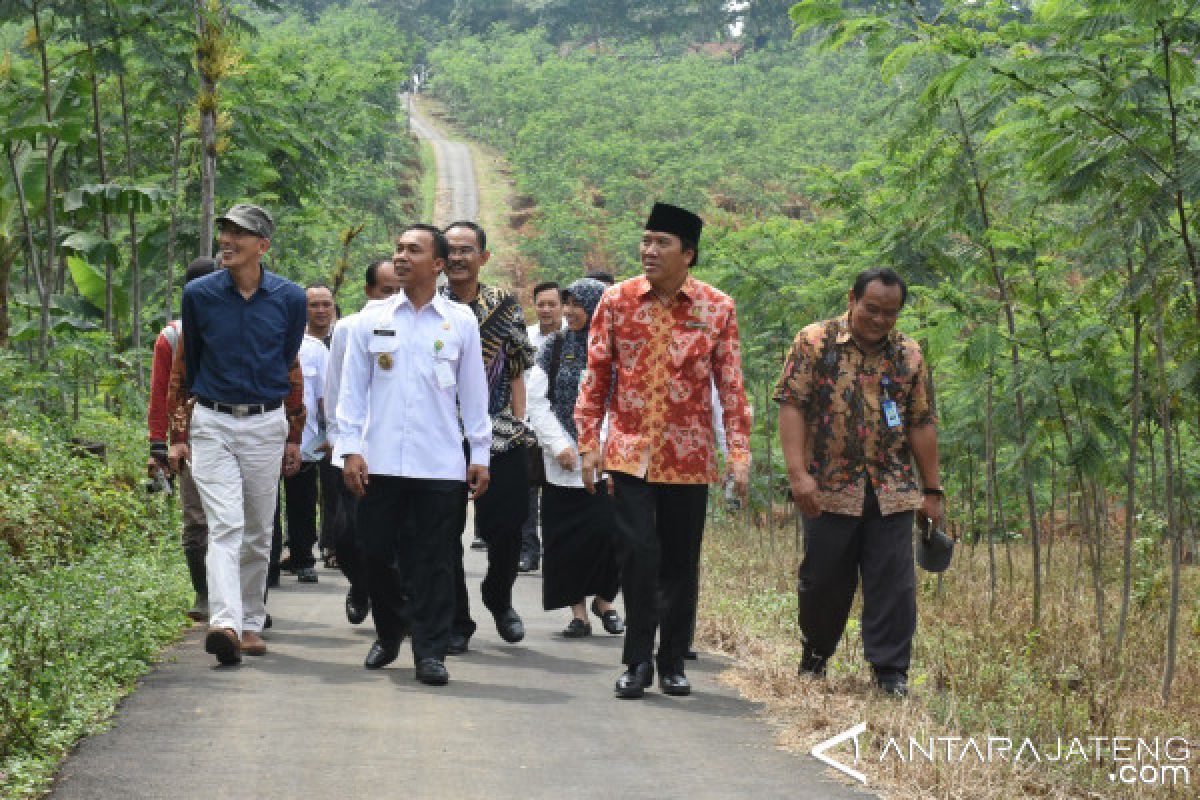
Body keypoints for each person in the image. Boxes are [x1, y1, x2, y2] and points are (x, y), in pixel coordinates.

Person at [576, 202, 751, 699]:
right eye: (646, 240)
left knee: (679, 561)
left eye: (662, 243)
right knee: (637, 555)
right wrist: (589, 443)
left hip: (690, 457)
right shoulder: (617, 300)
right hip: (629, 452)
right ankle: (636, 663)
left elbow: (732, 388)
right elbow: (597, 378)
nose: (649, 251)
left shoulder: (717, 308)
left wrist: (738, 453)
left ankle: (672, 659)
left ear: (688, 254)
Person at [775, 267, 943, 698]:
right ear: (852, 299)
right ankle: (815, 657)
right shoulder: (814, 342)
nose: (880, 319)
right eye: (872, 308)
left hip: (892, 488)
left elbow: (921, 422)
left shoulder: (909, 354)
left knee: (893, 582)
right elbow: (791, 405)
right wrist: (798, 476)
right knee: (824, 580)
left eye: (890, 313)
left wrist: (932, 489)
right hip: (828, 487)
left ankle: (890, 674)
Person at [336, 224, 491, 686]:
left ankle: (430, 650)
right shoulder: (372, 319)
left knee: (436, 560)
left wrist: (479, 453)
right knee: (375, 553)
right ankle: (389, 631)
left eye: (413, 250)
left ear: (438, 264)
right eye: (398, 248)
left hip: (439, 463)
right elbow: (352, 393)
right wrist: (350, 450)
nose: (401, 257)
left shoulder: (459, 321)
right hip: (379, 462)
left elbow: (473, 394)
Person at [167, 203, 306, 666]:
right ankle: (223, 622)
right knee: (225, 524)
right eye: (224, 231)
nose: (226, 240)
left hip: (266, 422)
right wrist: (180, 429)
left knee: (259, 529)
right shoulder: (199, 294)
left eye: (238, 234)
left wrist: (290, 430)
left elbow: (287, 357)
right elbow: (191, 361)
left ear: (262, 246)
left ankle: (250, 622)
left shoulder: (290, 298)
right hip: (213, 421)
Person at [441, 220, 535, 654]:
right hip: (440, 431)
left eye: (467, 249)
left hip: (497, 427)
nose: (458, 257)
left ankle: (499, 597)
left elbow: (515, 371)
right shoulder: (428, 304)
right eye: (451, 249)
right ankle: (457, 619)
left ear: (483, 256)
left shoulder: (504, 306)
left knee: (508, 524)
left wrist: (520, 424)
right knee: (440, 531)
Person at [527, 278, 624, 637]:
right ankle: (579, 614)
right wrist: (561, 445)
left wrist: (595, 446)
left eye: (576, 304)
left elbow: (620, 403)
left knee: (610, 534)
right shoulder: (553, 347)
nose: (568, 312)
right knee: (565, 541)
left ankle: (605, 600)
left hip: (604, 460)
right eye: (566, 304)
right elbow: (537, 401)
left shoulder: (614, 348)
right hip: (562, 462)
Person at [325, 257, 400, 624]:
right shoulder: (349, 328)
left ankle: (394, 606)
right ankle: (359, 584)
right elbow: (336, 385)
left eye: (399, 290)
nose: (393, 298)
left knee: (392, 537)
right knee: (347, 536)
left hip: (394, 450)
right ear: (369, 291)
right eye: (387, 291)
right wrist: (337, 439)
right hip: (353, 447)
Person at [147, 257, 216, 621]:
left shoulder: (237, 327)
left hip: (237, 432)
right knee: (195, 517)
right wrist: (161, 443)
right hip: (191, 440)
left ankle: (244, 598)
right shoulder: (173, 337)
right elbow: (162, 392)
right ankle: (204, 593)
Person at [282, 284, 332, 584]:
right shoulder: (269, 342)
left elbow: (325, 397)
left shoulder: (315, 350)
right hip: (265, 436)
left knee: (302, 499)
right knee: (267, 505)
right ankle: (271, 561)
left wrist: (329, 434)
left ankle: (303, 558)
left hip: (306, 438)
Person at [520, 280, 565, 573]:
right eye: (541, 304)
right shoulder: (525, 338)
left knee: (556, 493)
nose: (546, 310)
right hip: (526, 424)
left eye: (552, 304)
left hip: (559, 427)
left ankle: (556, 551)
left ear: (562, 307)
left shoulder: (570, 339)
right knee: (526, 492)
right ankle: (528, 551)